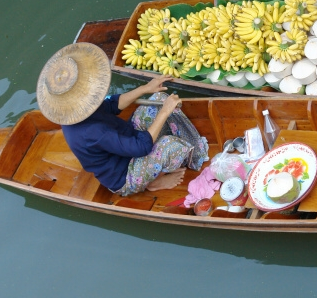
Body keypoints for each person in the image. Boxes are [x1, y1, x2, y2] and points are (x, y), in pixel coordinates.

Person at [36, 43, 208, 196]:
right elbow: (141, 147)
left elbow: (112, 105)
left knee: (158, 99)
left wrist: (145, 88)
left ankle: (192, 148)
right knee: (170, 146)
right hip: (125, 174)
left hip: (126, 140)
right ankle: (153, 183)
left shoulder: (76, 110)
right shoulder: (94, 132)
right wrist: (164, 113)